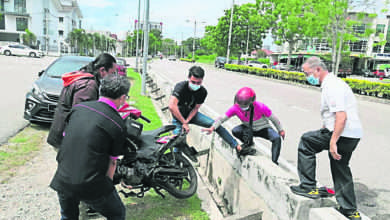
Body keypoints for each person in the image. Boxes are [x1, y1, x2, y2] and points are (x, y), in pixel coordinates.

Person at [290, 57, 363, 220]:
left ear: (317, 70)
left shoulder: (331, 86)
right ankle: (349, 210)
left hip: (342, 134)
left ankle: (308, 186)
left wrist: (332, 141)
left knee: (306, 141)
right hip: (353, 136)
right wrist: (326, 127)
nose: (306, 77)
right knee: (340, 167)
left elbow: (341, 116)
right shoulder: (335, 83)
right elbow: (335, 114)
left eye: (307, 73)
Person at [50, 74, 130, 220]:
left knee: (68, 216)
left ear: (101, 90)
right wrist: (107, 186)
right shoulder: (117, 123)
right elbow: (112, 162)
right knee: (117, 213)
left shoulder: (78, 108)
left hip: (63, 178)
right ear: (123, 97)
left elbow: (67, 138)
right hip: (90, 184)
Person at [47, 53, 117, 149]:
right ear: (102, 70)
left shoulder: (83, 75)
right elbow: (81, 116)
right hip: (66, 137)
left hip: (62, 131)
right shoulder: (88, 86)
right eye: (112, 73)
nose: (113, 77)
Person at [168, 66, 242, 156]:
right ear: (188, 78)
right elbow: (172, 106)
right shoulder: (181, 87)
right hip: (179, 117)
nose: (195, 85)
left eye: (198, 83)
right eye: (193, 82)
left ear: (202, 80)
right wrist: (183, 122)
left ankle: (236, 146)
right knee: (178, 142)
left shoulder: (202, 92)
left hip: (192, 115)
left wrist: (187, 121)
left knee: (215, 124)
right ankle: (176, 164)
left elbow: (195, 108)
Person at [202, 87, 285, 164]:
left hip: (263, 129)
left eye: (244, 105)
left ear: (252, 102)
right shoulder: (235, 108)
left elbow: (274, 118)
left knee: (276, 138)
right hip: (248, 129)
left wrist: (280, 130)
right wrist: (212, 127)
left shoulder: (261, 107)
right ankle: (249, 144)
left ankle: (274, 162)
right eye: (240, 104)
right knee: (236, 131)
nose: (242, 107)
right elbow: (222, 118)